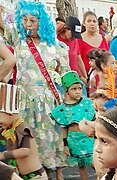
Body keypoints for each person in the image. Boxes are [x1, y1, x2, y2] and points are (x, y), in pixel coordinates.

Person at [2, 1, 70, 178]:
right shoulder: (19, 39)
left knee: (49, 137)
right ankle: (30, 172)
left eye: (33, 20)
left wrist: (70, 94)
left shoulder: (55, 45)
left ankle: (56, 172)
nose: (28, 24)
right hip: (24, 99)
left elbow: (66, 73)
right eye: (24, 20)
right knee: (26, 136)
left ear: (43, 22)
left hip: (47, 101)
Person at [50, 71, 95, 180]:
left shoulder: (87, 104)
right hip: (74, 140)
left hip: (88, 138)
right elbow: (64, 128)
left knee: (95, 162)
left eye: (79, 88)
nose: (78, 92)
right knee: (81, 165)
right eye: (73, 89)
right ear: (67, 91)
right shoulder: (63, 108)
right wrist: (65, 145)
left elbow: (94, 121)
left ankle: (102, 177)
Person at [0, 83, 48, 179]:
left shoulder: (23, 128)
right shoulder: (7, 129)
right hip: (24, 176)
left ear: (10, 114)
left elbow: (26, 151)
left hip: (36, 176)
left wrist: (3, 155)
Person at [57, 16, 87, 86]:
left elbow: (79, 60)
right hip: (62, 79)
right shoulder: (56, 41)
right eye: (73, 35)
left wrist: (85, 77)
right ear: (66, 29)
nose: (74, 37)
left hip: (75, 78)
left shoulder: (75, 41)